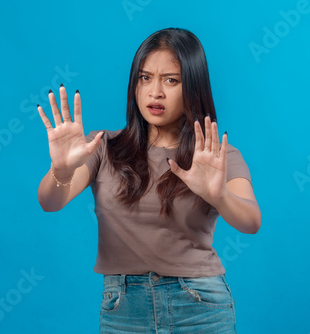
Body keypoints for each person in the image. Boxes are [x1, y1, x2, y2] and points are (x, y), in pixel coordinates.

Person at [37, 27, 261, 334]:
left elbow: (251, 220)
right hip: (123, 309)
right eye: (145, 78)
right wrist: (61, 171)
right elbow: (50, 202)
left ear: (193, 87)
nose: (155, 92)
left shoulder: (215, 156)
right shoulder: (102, 146)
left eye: (171, 80)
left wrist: (219, 195)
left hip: (200, 308)